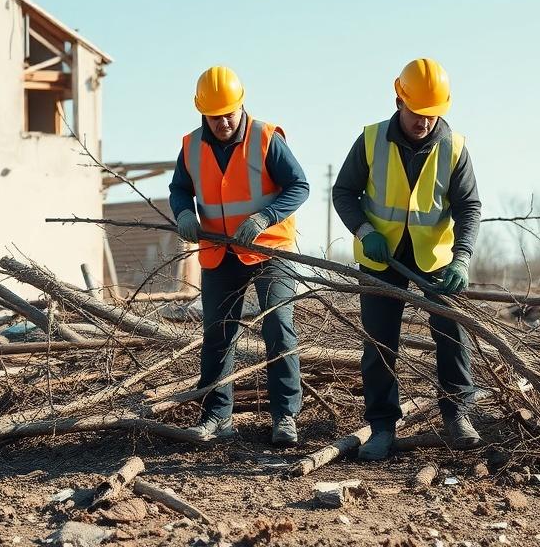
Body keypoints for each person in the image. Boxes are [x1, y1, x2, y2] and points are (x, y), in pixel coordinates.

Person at [332, 58, 483, 460]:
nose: (425, 121)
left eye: (433, 114)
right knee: (380, 343)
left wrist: (461, 259)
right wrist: (365, 232)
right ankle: (383, 427)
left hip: (434, 259)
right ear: (399, 99)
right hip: (380, 258)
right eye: (418, 112)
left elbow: (469, 207)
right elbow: (344, 193)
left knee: (452, 335)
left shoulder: (454, 148)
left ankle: (457, 415)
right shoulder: (370, 140)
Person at [170, 65, 309, 445]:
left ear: (241, 104)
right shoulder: (191, 146)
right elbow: (180, 189)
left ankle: (285, 418)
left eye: (228, 113)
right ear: (203, 112)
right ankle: (217, 416)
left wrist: (266, 217)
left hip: (269, 250)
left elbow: (299, 186)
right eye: (215, 116)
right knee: (217, 333)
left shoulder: (267, 138)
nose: (223, 122)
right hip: (218, 251)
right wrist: (183, 212)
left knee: (278, 328)